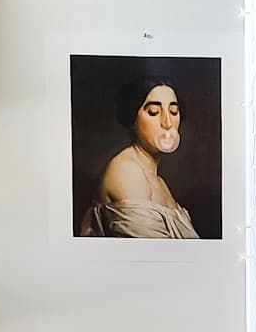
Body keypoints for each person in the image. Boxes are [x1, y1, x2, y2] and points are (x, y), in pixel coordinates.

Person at [79, 79, 199, 239]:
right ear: (132, 119)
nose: (167, 123)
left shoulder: (159, 182)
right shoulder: (126, 171)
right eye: (154, 112)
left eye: (174, 111)